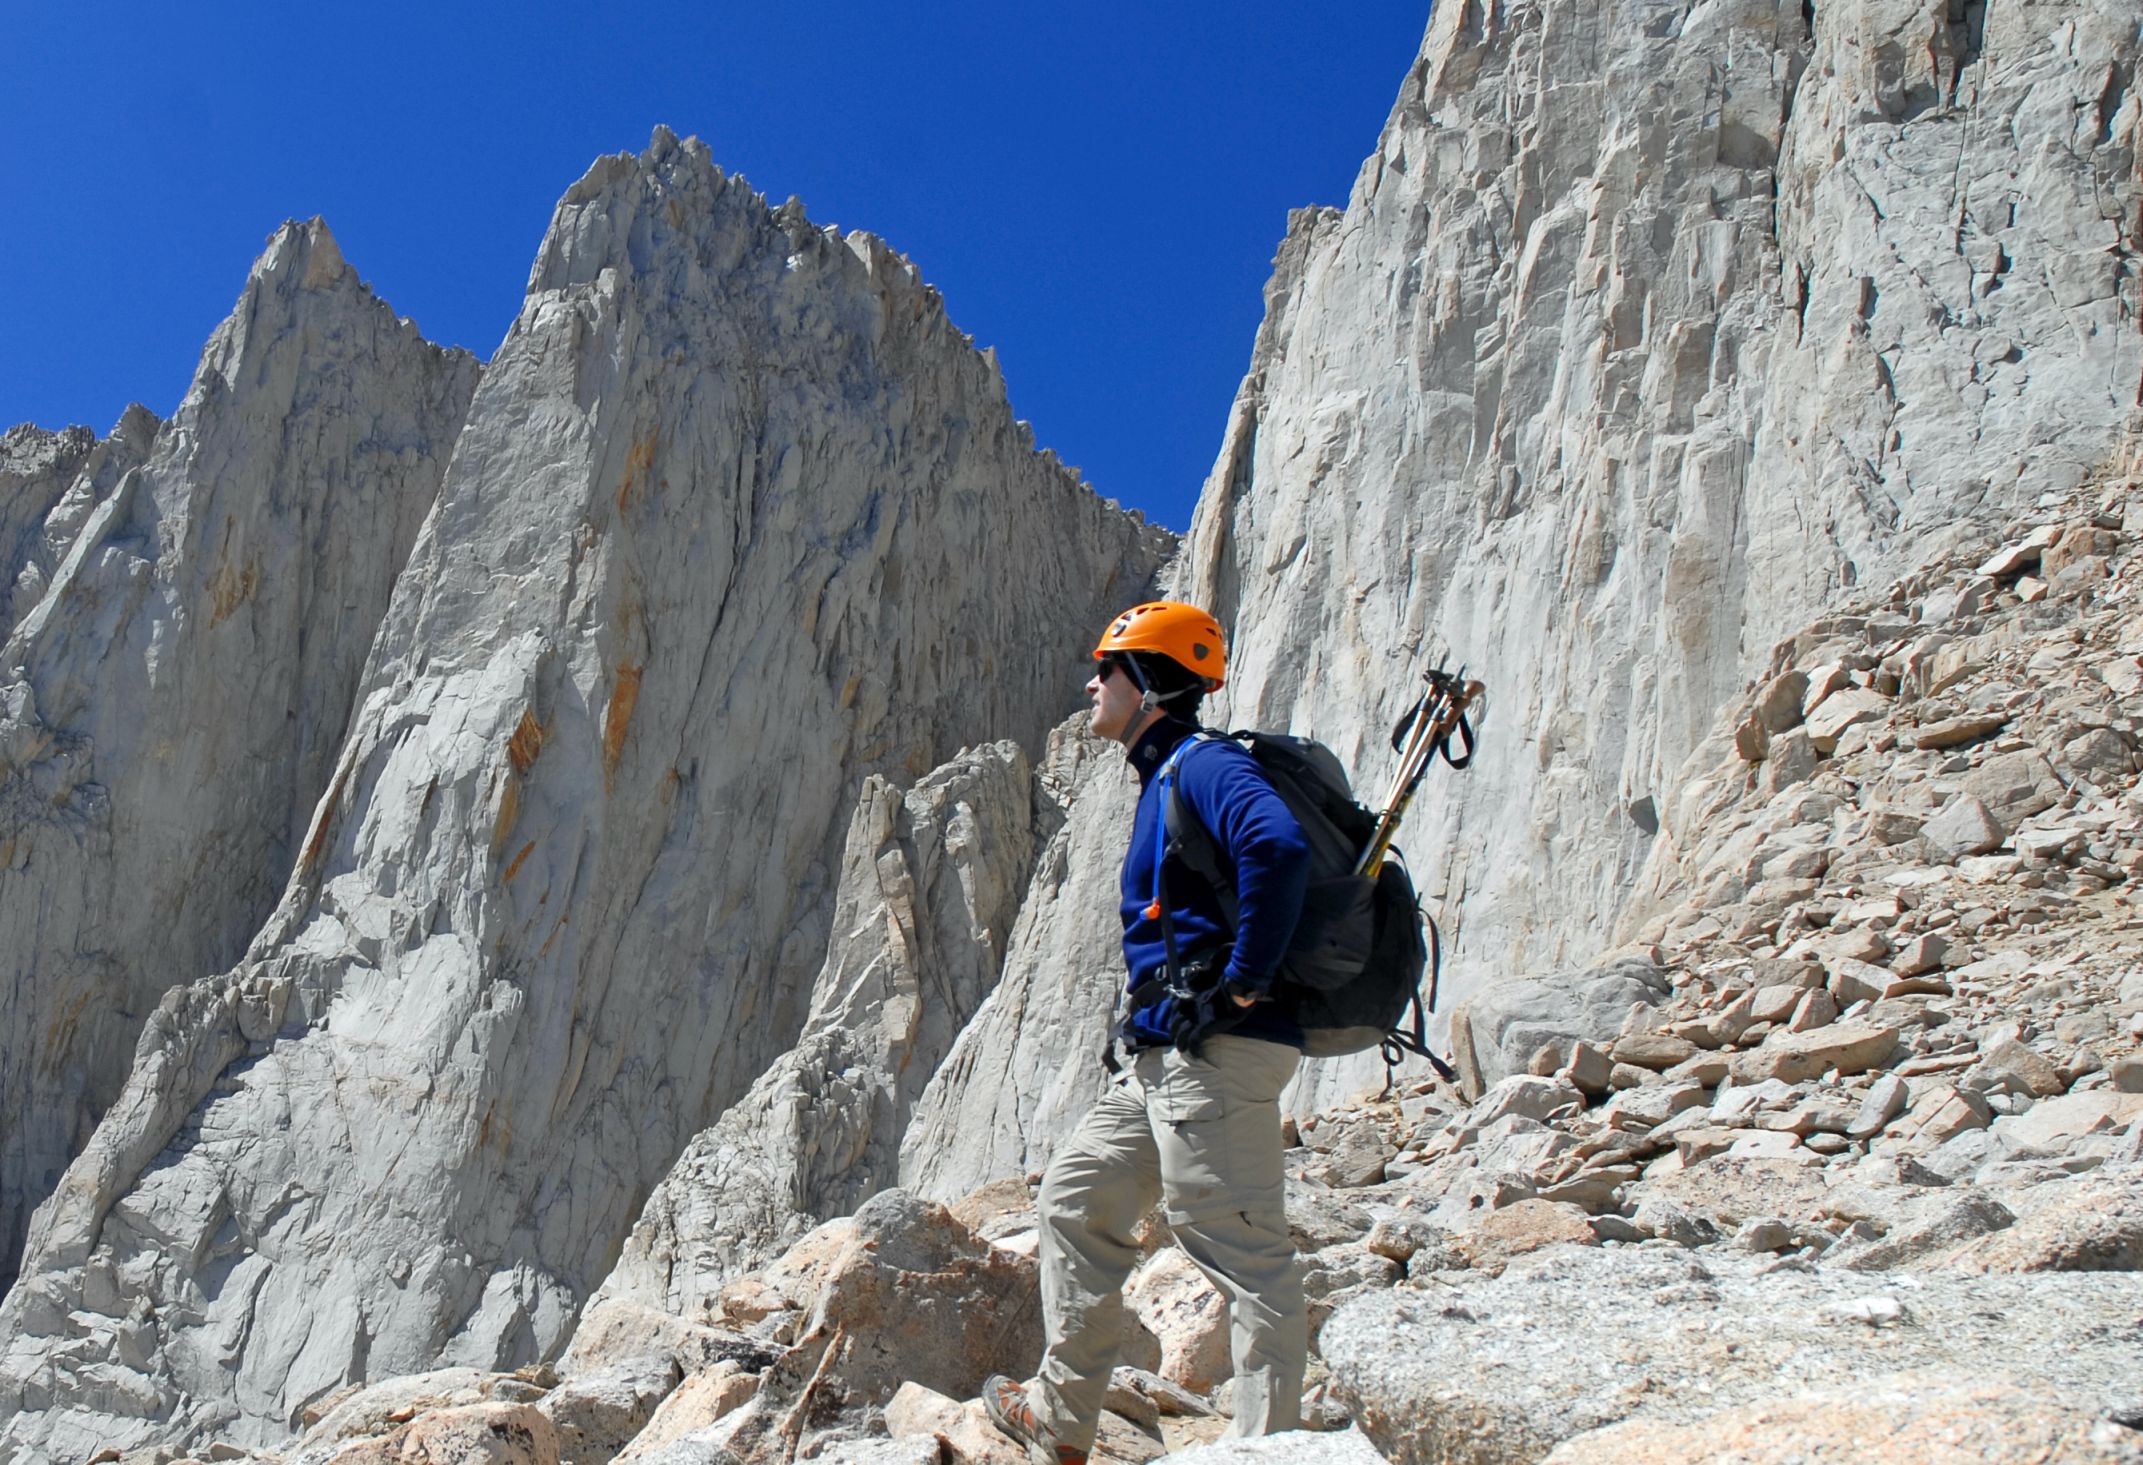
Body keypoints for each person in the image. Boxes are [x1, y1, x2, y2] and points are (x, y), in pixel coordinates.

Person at [983, 601, 1312, 1465]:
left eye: (1107, 666)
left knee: (1240, 1252)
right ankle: (1058, 1418)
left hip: (1215, 1051)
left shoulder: (1205, 764)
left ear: (1152, 681)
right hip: (1165, 1057)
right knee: (1075, 1196)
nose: (1090, 682)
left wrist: (1242, 981)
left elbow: (1276, 849)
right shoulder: (1164, 774)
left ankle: (1268, 1448)